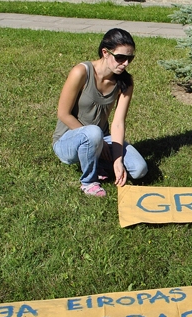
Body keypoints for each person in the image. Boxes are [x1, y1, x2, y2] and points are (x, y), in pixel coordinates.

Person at [52, 28, 148, 197]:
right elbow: (63, 114)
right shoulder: (81, 72)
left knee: (139, 169)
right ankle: (89, 182)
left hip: (101, 138)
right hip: (67, 140)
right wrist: (97, 141)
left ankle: (101, 162)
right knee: (93, 133)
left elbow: (118, 123)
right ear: (105, 52)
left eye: (130, 58)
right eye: (120, 57)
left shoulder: (125, 82)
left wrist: (118, 160)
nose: (125, 63)